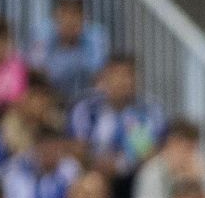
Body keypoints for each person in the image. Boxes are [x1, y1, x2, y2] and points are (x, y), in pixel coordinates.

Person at [69, 53, 163, 182]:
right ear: (104, 78)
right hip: (94, 173)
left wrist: (121, 165)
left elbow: (150, 153)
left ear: (136, 80)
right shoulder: (86, 108)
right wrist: (97, 163)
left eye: (127, 75)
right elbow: (77, 148)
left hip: (134, 178)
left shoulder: (149, 111)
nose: (121, 81)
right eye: (115, 75)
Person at [30, 0, 108, 102]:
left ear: (84, 19)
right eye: (64, 15)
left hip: (86, 99)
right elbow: (37, 71)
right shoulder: (43, 36)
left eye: (75, 15)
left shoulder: (95, 37)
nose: (69, 21)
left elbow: (97, 73)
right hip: (51, 99)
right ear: (55, 18)